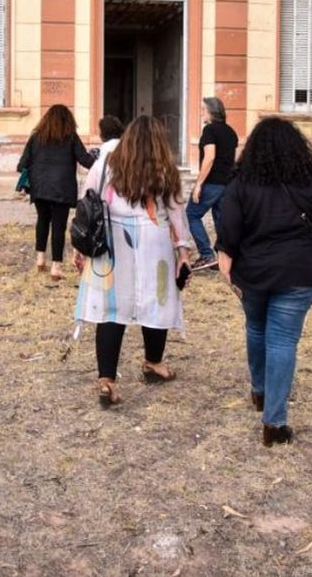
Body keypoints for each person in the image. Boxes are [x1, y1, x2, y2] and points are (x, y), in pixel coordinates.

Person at [217, 117, 312, 446]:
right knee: (283, 341)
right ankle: (274, 423)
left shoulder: (241, 183)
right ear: (297, 150)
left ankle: (259, 392)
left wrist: (226, 255)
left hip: (253, 271)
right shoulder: (311, 183)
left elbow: (229, 227)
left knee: (256, 329)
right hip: (298, 272)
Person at [73, 115, 192, 407]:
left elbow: (87, 203)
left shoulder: (104, 164)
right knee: (156, 300)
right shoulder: (166, 170)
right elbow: (177, 214)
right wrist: (183, 253)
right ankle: (153, 363)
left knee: (111, 309)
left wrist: (80, 247)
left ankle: (107, 380)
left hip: (111, 243)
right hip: (155, 243)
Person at [17, 104, 96, 280]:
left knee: (43, 221)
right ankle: (56, 267)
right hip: (62, 188)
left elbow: (22, 164)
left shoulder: (37, 137)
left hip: (39, 187)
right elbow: (85, 159)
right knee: (58, 226)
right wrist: (103, 164)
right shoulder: (70, 137)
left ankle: (40, 259)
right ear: (68, 120)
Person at [186, 97, 238, 271]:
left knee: (192, 214)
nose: (201, 112)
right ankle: (226, 257)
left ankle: (207, 254)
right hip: (227, 183)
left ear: (211, 111)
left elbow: (210, 157)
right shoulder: (231, 132)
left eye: (203, 109)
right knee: (221, 221)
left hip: (212, 182)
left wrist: (199, 184)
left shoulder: (209, 130)